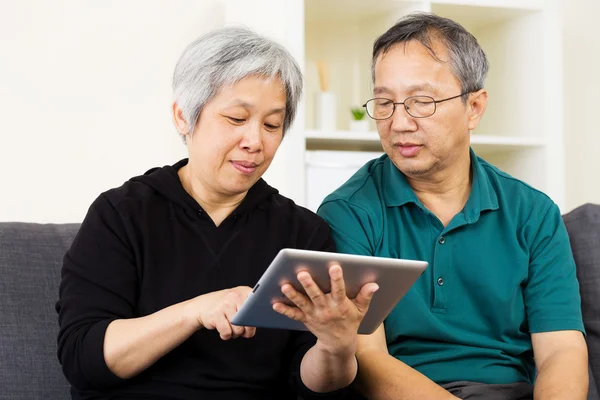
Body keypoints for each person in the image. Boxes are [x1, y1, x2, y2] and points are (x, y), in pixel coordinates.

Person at [56, 26, 378, 400]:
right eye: (237, 119)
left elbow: (311, 385)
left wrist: (335, 347)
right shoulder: (122, 214)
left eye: (272, 125)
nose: (255, 142)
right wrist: (196, 312)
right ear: (183, 117)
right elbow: (84, 358)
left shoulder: (303, 232)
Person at [317, 12, 588, 400]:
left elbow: (561, 349)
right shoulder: (349, 213)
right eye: (384, 102)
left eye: (420, 101)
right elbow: (367, 358)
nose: (399, 123)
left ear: (474, 107)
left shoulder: (533, 213)